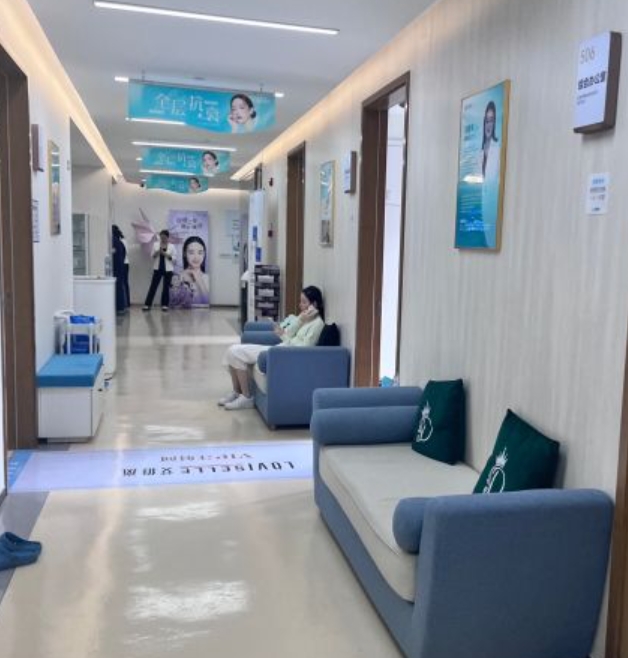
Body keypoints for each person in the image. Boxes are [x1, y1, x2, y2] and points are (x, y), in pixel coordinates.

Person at [219, 286, 325, 410]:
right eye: (300, 301)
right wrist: (300, 320)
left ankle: (246, 398)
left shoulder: (318, 324)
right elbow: (288, 333)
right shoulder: (305, 319)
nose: (300, 305)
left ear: (314, 304)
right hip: (279, 349)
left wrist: (285, 337)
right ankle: (237, 392)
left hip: (283, 355)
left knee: (235, 352)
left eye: (304, 302)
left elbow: (304, 350)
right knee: (232, 350)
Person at [142, 230, 176, 312]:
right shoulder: (155, 245)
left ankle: (165, 305)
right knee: (153, 287)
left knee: (166, 288)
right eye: (161, 237)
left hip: (168, 270)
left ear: (168, 237)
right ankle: (147, 304)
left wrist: (165, 254)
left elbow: (174, 259)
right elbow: (152, 257)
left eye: (164, 238)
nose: (163, 239)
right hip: (157, 269)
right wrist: (157, 252)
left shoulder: (172, 246)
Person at [180, 235, 210, 306]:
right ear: (184, 254)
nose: (196, 257)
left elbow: (207, 301)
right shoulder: (178, 277)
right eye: (191, 252)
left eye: (200, 252)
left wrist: (198, 278)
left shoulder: (207, 278)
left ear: (204, 254)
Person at [111, 225, 127, 314]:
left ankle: (119, 308)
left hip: (115, 267)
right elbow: (124, 253)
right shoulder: (120, 242)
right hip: (120, 266)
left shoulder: (113, 241)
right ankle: (121, 307)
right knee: (120, 287)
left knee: (117, 287)